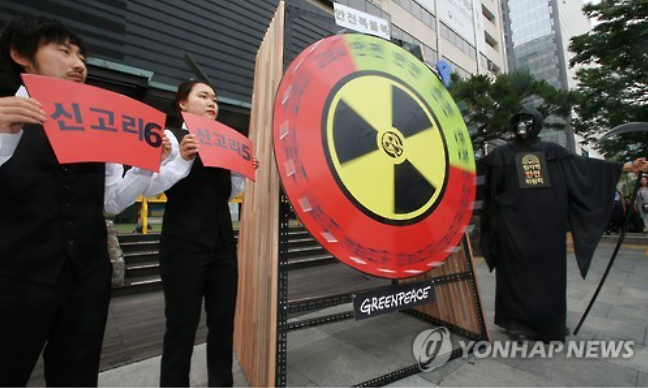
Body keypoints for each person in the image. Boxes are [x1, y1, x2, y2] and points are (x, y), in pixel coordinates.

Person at [0, 15, 172, 386]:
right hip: (15, 279)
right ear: (20, 53)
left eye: (82, 56)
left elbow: (110, 202)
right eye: (64, 52)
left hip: (88, 278)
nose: (79, 64)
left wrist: (144, 168)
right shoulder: (1, 116)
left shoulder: (102, 122)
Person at [479, 108, 647, 343]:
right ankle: (514, 323)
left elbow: (586, 167)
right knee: (515, 276)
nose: (523, 126)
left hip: (548, 228)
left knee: (549, 277)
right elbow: (477, 178)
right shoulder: (501, 155)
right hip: (513, 229)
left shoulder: (553, 152)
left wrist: (628, 167)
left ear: (536, 124)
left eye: (528, 121)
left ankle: (549, 325)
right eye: (518, 121)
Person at [142, 80, 257, 387]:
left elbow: (228, 193)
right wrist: (180, 158)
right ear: (183, 104)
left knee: (222, 323)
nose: (212, 103)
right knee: (181, 326)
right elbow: (150, 186)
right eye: (203, 96)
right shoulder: (167, 137)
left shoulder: (225, 141)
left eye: (215, 99)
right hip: (183, 246)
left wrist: (241, 171)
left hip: (222, 246)